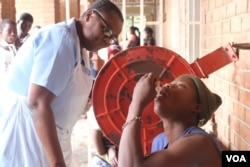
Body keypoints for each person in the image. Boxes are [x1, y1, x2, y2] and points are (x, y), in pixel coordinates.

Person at [0, 0, 123, 166]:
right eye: (106, 30)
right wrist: (57, 163)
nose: (108, 40)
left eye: (113, 38)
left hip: (54, 135)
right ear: (88, 16)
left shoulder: (81, 48)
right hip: (27, 133)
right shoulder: (61, 39)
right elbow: (37, 102)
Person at [118, 73, 222, 167]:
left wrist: (136, 102)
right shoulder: (159, 141)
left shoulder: (199, 143)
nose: (167, 85)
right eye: (170, 83)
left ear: (196, 108)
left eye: (181, 86)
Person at [0, 19, 18, 117]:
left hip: (14, 94)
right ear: (1, 32)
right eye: (9, 31)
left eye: (15, 31)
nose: (13, 34)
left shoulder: (15, 49)